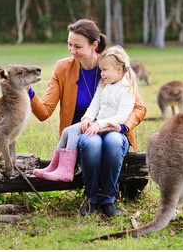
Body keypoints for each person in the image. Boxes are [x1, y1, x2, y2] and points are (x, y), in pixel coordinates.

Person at [29, 19, 146, 217]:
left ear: (94, 45)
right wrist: (28, 93)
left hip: (114, 129)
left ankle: (108, 199)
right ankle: (91, 199)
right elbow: (44, 112)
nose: (71, 51)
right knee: (91, 144)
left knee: (114, 142)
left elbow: (139, 108)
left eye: (77, 46)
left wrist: (123, 127)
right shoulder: (62, 69)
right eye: (69, 44)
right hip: (83, 133)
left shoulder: (115, 65)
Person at [33, 45, 135, 183]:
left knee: (77, 134)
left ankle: (66, 170)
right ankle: (54, 166)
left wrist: (109, 125)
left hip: (108, 127)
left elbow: (128, 112)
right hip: (96, 123)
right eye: (69, 44)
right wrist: (87, 118)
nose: (102, 73)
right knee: (67, 131)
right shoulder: (104, 82)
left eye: (77, 46)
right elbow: (94, 104)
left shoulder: (123, 83)